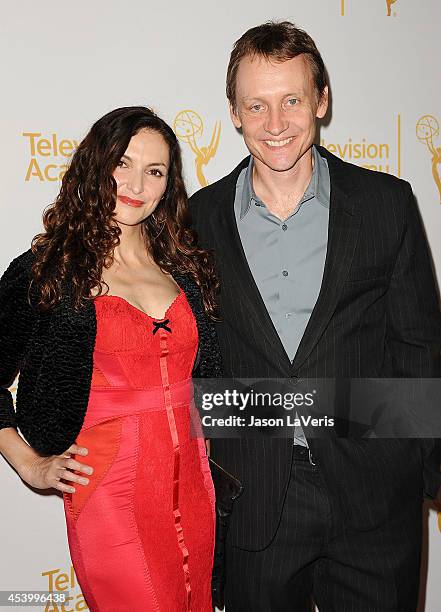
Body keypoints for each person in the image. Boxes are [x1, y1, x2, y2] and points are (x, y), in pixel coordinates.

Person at [189, 21, 441, 612]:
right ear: (234, 112)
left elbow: (418, 348)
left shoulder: (387, 203)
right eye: (257, 105)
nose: (275, 125)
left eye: (292, 101)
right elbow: (192, 359)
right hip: (256, 499)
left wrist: (424, 468)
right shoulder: (196, 220)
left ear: (321, 101)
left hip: (375, 493)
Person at [0, 106, 222, 612]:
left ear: (169, 185)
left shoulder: (184, 267)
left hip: (194, 487)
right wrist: (31, 465)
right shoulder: (49, 271)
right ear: (95, 165)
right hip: (111, 497)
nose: (136, 183)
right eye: (123, 163)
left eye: (155, 171)